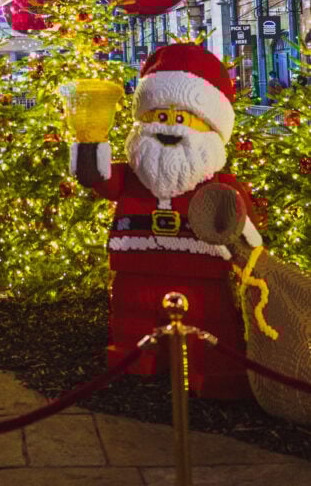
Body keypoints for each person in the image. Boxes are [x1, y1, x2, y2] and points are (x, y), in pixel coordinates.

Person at [70, 42, 261, 400]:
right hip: (138, 264)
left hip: (199, 268)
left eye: (181, 118)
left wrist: (251, 250)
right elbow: (97, 178)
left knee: (209, 322)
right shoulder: (133, 175)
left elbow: (240, 218)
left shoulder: (217, 183)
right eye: (160, 116)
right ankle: (134, 362)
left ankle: (213, 371)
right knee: (133, 319)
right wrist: (88, 140)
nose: (169, 128)